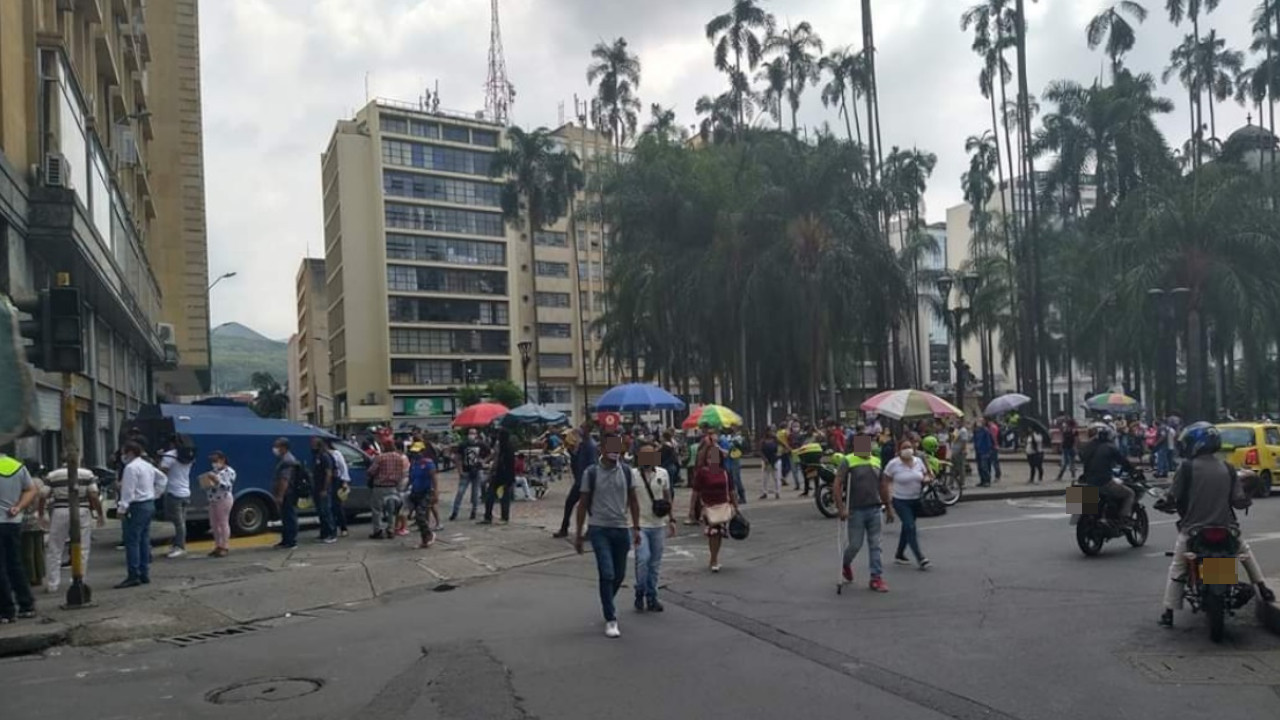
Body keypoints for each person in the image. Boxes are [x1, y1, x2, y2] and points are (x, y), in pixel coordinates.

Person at [1158, 422, 1275, 628]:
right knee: (1245, 552)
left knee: (1178, 567)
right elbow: (1239, 501)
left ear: (1196, 444)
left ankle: (1168, 611)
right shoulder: (1228, 468)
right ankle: (1263, 588)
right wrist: (1248, 497)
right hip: (1226, 528)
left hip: (1194, 530)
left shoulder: (1186, 467)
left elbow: (1172, 496)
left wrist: (1164, 502)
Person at [573, 434, 642, 638]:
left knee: (619, 575)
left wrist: (636, 528)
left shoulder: (627, 472)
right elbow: (583, 504)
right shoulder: (591, 473)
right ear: (601, 449)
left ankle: (607, 600)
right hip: (599, 528)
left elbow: (634, 501)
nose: (614, 451)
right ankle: (611, 618)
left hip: (621, 528)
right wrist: (578, 534)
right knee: (607, 572)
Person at [833, 436, 890, 592]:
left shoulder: (876, 461)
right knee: (855, 545)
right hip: (856, 510)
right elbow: (837, 484)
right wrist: (841, 508)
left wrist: (888, 506)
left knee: (875, 545)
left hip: (875, 508)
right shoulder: (848, 461)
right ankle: (845, 563)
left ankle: (876, 578)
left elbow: (883, 484)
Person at [38, 466, 103, 593]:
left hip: (60, 510)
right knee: (83, 548)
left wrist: (41, 513)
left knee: (55, 548)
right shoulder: (87, 474)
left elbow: (43, 494)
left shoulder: (53, 475)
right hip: (82, 509)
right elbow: (94, 495)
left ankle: (53, 584)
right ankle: (79, 579)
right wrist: (99, 514)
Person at [632, 442, 674, 613]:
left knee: (655, 563)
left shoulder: (662, 474)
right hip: (640, 524)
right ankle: (639, 589)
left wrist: (672, 519)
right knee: (643, 559)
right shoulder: (632, 475)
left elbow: (667, 496)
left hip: (658, 524)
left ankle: (652, 596)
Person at [115, 440, 161, 588]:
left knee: (132, 541)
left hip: (136, 506)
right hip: (148, 504)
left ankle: (133, 574)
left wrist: (122, 508)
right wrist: (155, 494)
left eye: (123, 452)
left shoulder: (131, 468)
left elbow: (128, 490)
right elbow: (163, 479)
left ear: (129, 452)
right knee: (144, 539)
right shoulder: (147, 465)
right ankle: (144, 573)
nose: (123, 456)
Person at [0, 452, 39, 620]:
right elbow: (31, 490)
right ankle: (26, 605)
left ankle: (6, 611)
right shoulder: (16, 466)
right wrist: (18, 507)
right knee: (15, 564)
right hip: (13, 522)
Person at [883, 439, 932, 570]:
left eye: (909, 447)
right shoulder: (893, 464)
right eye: (904, 447)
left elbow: (926, 473)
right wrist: (888, 504)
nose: (908, 449)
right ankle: (920, 557)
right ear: (899, 450)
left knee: (907, 527)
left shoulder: (918, 461)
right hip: (900, 500)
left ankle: (899, 554)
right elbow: (885, 482)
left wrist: (927, 478)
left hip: (916, 499)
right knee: (910, 526)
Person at [1078, 423, 1135, 526]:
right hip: (1103, 481)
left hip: (1086, 481)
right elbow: (1123, 461)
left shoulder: (1086, 447)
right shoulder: (1110, 447)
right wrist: (1132, 469)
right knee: (1130, 494)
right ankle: (1124, 518)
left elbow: (1082, 457)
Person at [694, 444, 736, 573]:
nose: (712, 460)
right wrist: (692, 509)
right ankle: (713, 559)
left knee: (719, 533)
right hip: (708, 506)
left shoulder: (724, 472)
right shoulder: (702, 472)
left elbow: (731, 489)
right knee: (714, 532)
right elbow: (696, 491)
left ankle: (714, 556)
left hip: (722, 505)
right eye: (710, 457)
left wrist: (735, 504)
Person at [554, 424, 597, 538]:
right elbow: (577, 461)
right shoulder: (583, 444)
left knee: (586, 506)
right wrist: (572, 452)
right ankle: (565, 528)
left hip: (585, 481)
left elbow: (591, 465)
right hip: (581, 480)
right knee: (577, 505)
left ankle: (588, 530)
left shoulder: (590, 446)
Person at [158, 436, 193, 559]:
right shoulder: (189, 456)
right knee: (181, 521)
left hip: (173, 492)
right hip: (186, 491)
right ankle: (178, 544)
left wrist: (159, 459)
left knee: (178, 522)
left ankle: (180, 546)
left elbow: (162, 473)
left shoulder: (169, 456)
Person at [367, 441, 409, 539]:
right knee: (392, 510)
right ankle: (391, 529)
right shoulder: (399, 458)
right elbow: (401, 472)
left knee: (377, 510)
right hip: (393, 487)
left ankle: (378, 531)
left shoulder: (380, 457)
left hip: (380, 487)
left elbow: (371, 471)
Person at [271, 438, 305, 549]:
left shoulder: (287, 460)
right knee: (285, 517)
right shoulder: (284, 459)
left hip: (288, 493)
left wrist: (280, 495)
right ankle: (286, 540)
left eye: (277, 447)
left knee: (289, 516)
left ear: (284, 447)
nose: (275, 449)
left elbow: (284, 480)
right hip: (287, 492)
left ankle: (291, 541)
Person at [450, 429, 487, 522]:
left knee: (475, 493)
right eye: (470, 433)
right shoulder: (463, 445)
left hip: (476, 471)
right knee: (460, 492)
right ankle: (455, 512)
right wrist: (460, 470)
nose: (472, 435)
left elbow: (491, 452)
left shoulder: (481, 444)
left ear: (477, 435)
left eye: (473, 433)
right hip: (466, 472)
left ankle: (474, 511)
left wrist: (483, 461)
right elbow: (457, 458)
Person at [481, 429, 516, 524]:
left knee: (503, 498)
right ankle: (488, 517)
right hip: (497, 476)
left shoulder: (508, 449)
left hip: (504, 477)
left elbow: (506, 464)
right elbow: (495, 456)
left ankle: (504, 517)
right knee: (490, 496)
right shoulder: (500, 447)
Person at [205, 452, 236, 557]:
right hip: (213, 499)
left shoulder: (229, 471)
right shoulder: (214, 471)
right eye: (212, 461)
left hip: (224, 499)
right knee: (214, 524)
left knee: (223, 522)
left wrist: (217, 481)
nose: (214, 463)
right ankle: (217, 545)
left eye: (215, 460)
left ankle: (225, 546)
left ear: (223, 460)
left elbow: (227, 486)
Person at [407, 449, 438, 549]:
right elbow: (411, 478)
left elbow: (434, 478)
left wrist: (436, 492)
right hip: (416, 492)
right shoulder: (414, 464)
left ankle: (429, 534)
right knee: (419, 517)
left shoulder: (428, 463)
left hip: (426, 492)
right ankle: (424, 539)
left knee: (420, 514)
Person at [309, 436, 337, 544]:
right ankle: (324, 533)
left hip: (323, 488)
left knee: (326, 511)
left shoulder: (325, 456)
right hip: (317, 487)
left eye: (313, 443)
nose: (311, 445)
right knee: (321, 512)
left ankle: (331, 533)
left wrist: (325, 488)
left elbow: (328, 473)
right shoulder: (316, 456)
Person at [327, 440, 352, 537]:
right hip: (328, 482)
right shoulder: (320, 454)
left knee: (337, 505)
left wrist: (345, 481)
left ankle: (343, 527)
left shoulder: (336, 454)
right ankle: (331, 528)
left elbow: (343, 467)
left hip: (336, 481)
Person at [759, 426, 781, 500]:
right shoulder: (763, 440)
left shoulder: (775, 439)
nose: (771, 433)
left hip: (775, 460)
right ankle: (764, 492)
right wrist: (764, 459)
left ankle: (777, 492)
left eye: (772, 431)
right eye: (770, 431)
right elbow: (760, 451)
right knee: (765, 478)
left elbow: (783, 445)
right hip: (766, 461)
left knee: (776, 477)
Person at [972, 420, 996, 487]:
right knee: (979, 467)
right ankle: (982, 480)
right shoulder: (976, 431)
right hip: (978, 451)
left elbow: (988, 441)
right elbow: (975, 440)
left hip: (984, 451)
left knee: (984, 467)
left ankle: (987, 480)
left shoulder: (985, 430)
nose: (978, 423)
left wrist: (988, 450)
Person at [1055, 415, 1079, 481]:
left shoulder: (1069, 430)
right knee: (1072, 462)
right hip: (1068, 447)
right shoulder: (1071, 430)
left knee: (1066, 462)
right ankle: (1073, 475)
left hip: (1067, 447)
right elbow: (1075, 440)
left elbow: (1074, 440)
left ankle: (1060, 476)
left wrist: (1061, 446)